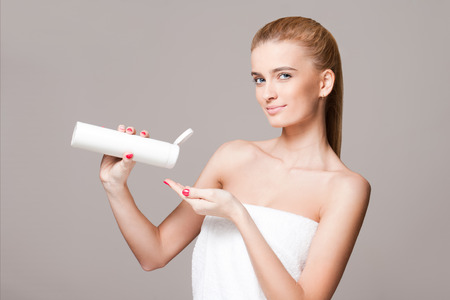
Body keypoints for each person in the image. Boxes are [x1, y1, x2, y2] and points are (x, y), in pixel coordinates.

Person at [99, 16, 371, 300]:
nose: (268, 93)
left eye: (284, 75)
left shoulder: (345, 188)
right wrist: (115, 186)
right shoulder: (233, 158)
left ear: (324, 83)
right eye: (259, 79)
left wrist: (239, 215)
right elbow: (154, 253)